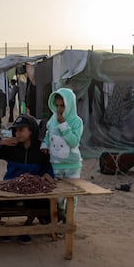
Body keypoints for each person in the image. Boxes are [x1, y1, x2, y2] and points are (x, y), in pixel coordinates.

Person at [0, 114, 53, 245]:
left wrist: (48, 174)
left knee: (47, 208)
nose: (17, 133)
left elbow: (47, 167)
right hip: (10, 188)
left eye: (21, 130)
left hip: (32, 191)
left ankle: (28, 228)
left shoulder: (41, 149)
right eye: (16, 130)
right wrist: (0, 142)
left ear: (31, 130)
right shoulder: (11, 146)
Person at [40, 87, 83, 221]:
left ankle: (69, 221)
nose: (59, 109)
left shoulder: (76, 121)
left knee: (71, 195)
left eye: (63, 105)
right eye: (57, 105)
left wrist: (64, 125)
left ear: (70, 104)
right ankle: (60, 217)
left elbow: (74, 141)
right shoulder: (52, 120)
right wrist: (45, 145)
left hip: (72, 165)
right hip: (56, 165)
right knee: (57, 195)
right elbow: (48, 135)